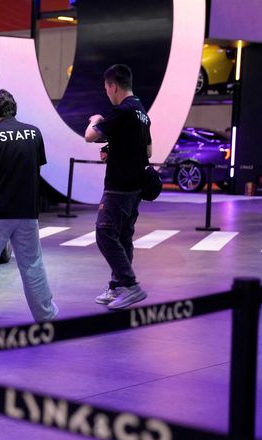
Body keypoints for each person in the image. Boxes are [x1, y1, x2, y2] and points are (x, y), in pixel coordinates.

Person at [0, 89, 58, 330]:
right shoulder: (33, 133)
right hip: (27, 211)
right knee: (32, 266)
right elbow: (36, 167)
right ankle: (46, 316)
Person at [84, 64, 151, 310]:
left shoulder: (121, 111)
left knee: (104, 233)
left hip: (118, 186)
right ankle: (117, 287)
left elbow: (90, 135)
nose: (106, 93)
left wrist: (96, 119)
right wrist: (114, 150)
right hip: (135, 188)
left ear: (113, 86)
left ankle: (130, 286)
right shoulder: (142, 112)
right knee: (123, 237)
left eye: (106, 88)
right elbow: (147, 150)